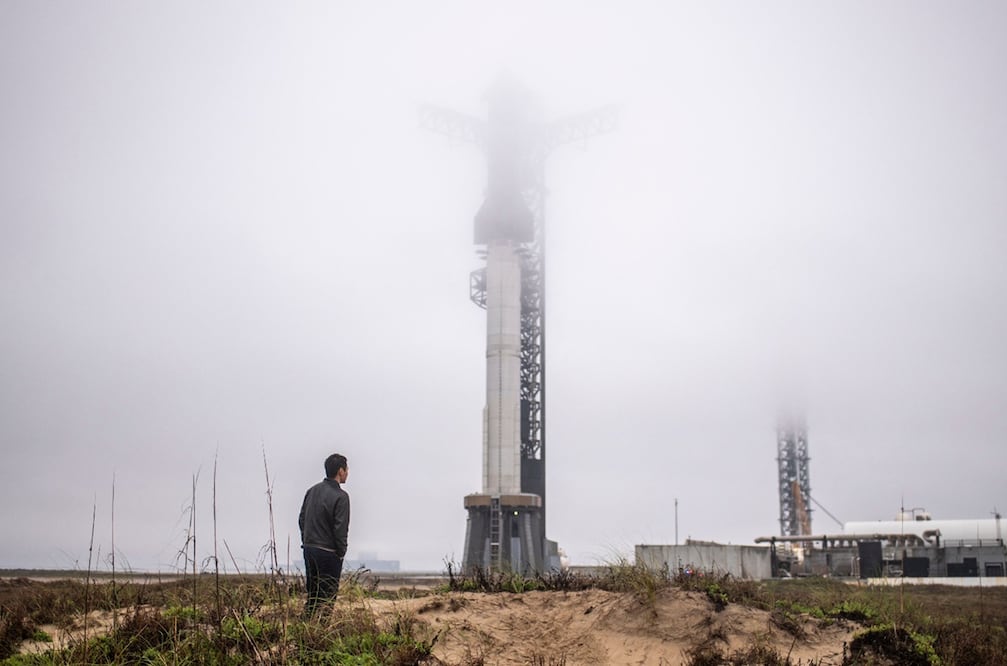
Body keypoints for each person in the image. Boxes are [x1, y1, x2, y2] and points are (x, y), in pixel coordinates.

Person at [299, 453, 350, 617]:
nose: (348, 472)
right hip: (329, 553)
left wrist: (307, 540)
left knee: (312, 596)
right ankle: (321, 636)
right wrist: (341, 553)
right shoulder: (341, 497)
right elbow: (340, 529)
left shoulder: (311, 491)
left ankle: (305, 632)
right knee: (327, 599)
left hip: (309, 548)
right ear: (340, 471)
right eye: (347, 469)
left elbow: (301, 519)